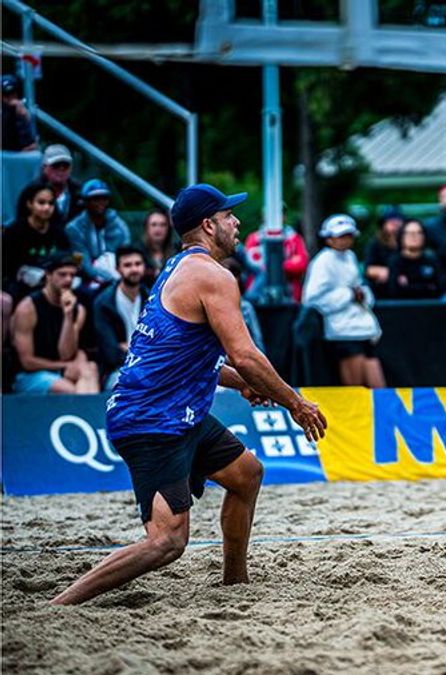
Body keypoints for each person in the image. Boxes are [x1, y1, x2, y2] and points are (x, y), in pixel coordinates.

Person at [51, 183, 327, 606]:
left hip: (180, 413)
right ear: (208, 224)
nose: (237, 223)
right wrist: (296, 402)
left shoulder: (180, 266)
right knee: (167, 542)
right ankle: (59, 605)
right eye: (229, 216)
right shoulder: (212, 276)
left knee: (246, 474)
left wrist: (244, 383)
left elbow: (198, 359)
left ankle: (235, 584)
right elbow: (246, 354)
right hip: (152, 420)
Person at [302, 214, 386, 388]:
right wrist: (349, 295)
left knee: (378, 388)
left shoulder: (350, 257)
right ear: (328, 238)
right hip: (343, 332)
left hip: (364, 329)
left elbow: (359, 286)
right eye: (340, 236)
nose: (345, 240)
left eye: (348, 235)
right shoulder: (323, 261)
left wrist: (361, 294)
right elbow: (311, 298)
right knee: (355, 389)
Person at [9, 252, 99, 394]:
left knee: (89, 368)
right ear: (48, 275)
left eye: (72, 275)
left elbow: (66, 354)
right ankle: (90, 413)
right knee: (71, 390)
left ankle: (92, 414)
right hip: (29, 376)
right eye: (62, 274)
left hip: (60, 369)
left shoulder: (78, 309)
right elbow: (26, 362)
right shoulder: (27, 308)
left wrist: (68, 315)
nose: (68, 280)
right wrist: (65, 365)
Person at [2, 181, 70, 302]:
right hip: (22, 284)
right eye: (41, 203)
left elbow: (67, 257)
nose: (47, 208)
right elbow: (8, 267)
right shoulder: (15, 231)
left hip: (55, 281)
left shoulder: (58, 231)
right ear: (29, 204)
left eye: (51, 203)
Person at [92, 247, 149, 387]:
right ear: (118, 269)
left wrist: (128, 347)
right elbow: (110, 353)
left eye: (138, 264)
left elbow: (162, 343)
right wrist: (145, 352)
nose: (134, 269)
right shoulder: (104, 303)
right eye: (128, 265)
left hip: (152, 367)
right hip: (118, 370)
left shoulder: (153, 299)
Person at [64, 179, 131, 285]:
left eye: (104, 198)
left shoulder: (119, 225)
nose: (101, 203)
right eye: (95, 199)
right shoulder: (74, 228)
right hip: (86, 278)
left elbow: (127, 254)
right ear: (85, 201)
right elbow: (83, 262)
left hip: (119, 275)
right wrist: (109, 279)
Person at [242, 205, 310, 302]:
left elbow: (301, 264)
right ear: (264, 216)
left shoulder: (294, 238)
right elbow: (249, 264)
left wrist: (274, 266)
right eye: (270, 214)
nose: (275, 217)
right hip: (258, 296)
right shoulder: (254, 238)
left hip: (289, 295)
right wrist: (284, 264)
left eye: (279, 213)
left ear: (284, 216)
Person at [23, 144, 82, 221]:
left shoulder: (79, 192)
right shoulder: (32, 192)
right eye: (56, 165)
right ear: (44, 168)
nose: (61, 169)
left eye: (66, 165)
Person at [387, 219, 443, 300]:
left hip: (429, 307)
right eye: (410, 233)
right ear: (402, 237)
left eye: (419, 233)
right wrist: (426, 286)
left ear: (424, 237)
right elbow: (394, 292)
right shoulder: (395, 261)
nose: (414, 236)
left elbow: (439, 289)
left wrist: (407, 286)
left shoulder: (432, 260)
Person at [363, 209, 403, 297]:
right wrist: (390, 273)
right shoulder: (375, 243)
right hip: (381, 288)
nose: (395, 224)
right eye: (391, 221)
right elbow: (368, 269)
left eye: (398, 221)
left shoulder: (406, 242)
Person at [1, 74, 38, 152]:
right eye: (6, 95)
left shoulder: (22, 111)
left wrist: (25, 116)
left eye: (13, 94)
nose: (11, 98)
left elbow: (31, 144)